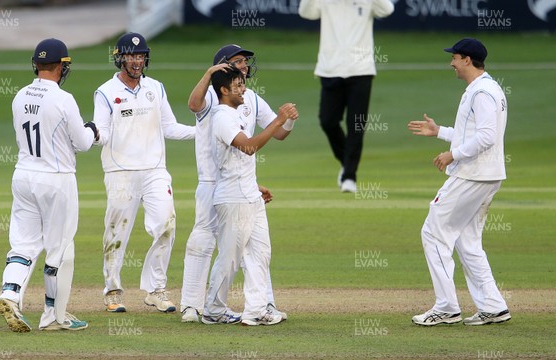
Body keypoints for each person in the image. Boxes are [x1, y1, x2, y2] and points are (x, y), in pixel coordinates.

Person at [180, 44, 298, 323]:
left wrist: (288, 121)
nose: (244, 66)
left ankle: (260, 307)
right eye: (238, 62)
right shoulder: (213, 98)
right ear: (223, 72)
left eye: (245, 62)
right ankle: (193, 306)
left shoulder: (248, 98)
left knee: (257, 250)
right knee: (207, 243)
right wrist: (209, 74)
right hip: (213, 183)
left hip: (241, 185)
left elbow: (278, 133)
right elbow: (193, 105)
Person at [0, 38, 97, 332]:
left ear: (35, 65)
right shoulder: (63, 99)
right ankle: (54, 315)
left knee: (24, 244)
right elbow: (82, 143)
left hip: (24, 175)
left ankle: (9, 293)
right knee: (59, 249)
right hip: (56, 179)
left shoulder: (20, 95)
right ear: (62, 67)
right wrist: (93, 130)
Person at [408, 38, 511, 326]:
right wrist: (439, 131)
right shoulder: (484, 89)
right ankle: (493, 306)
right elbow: (473, 133)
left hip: (472, 174)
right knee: (467, 241)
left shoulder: (482, 92)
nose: (451, 63)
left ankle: (446, 307)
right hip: (485, 174)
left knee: (433, 232)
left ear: (467, 60)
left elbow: (488, 137)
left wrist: (453, 154)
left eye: (454, 58)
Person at [92, 32, 195, 313]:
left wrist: (203, 132)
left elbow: (169, 127)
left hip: (155, 170)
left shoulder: (156, 88)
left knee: (167, 225)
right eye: (131, 56)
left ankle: (156, 289)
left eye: (140, 56)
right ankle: (112, 290)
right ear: (120, 58)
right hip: (120, 172)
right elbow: (102, 132)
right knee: (116, 233)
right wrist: (90, 134)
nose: (137, 61)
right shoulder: (105, 92)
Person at [298, 0, 394, 193]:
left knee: (356, 124)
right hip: (330, 69)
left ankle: (350, 175)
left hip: (361, 69)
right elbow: (306, 12)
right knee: (327, 121)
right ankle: (347, 162)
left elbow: (387, 9)